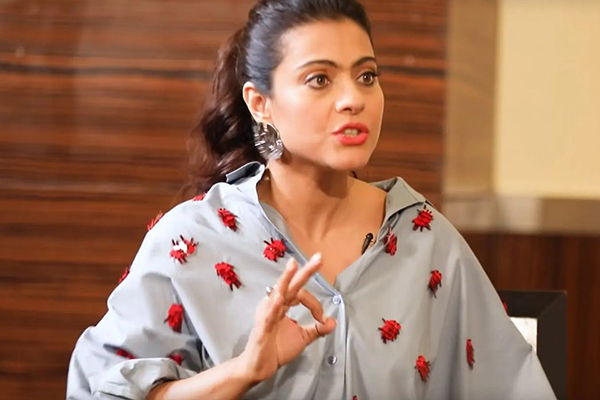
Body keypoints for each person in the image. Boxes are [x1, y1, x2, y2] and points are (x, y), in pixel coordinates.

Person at [66, 0, 557, 399]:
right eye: (320, 79)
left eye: (366, 76)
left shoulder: (426, 240)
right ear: (260, 104)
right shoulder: (192, 240)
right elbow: (103, 392)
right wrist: (242, 371)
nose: (353, 99)